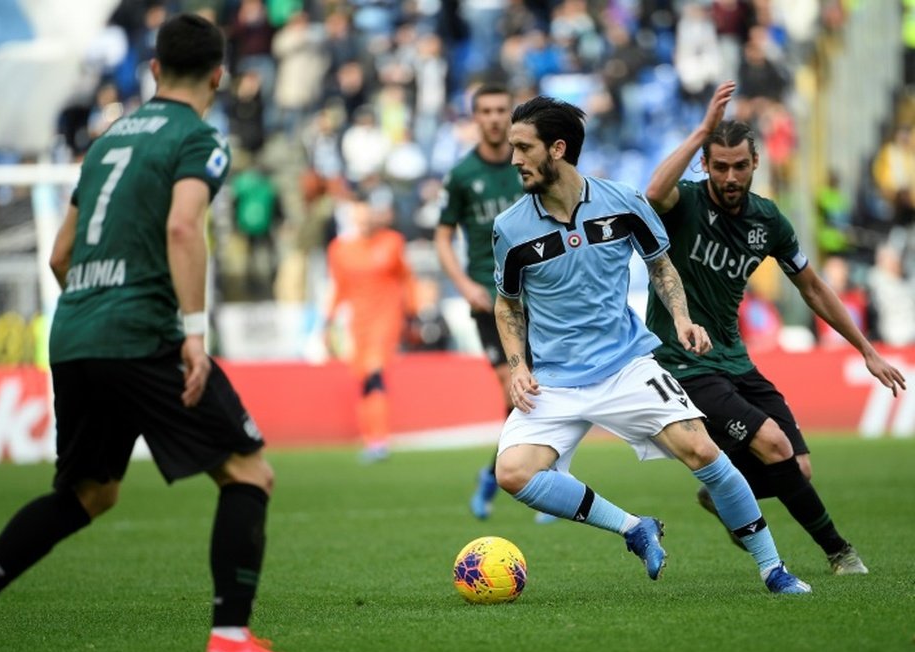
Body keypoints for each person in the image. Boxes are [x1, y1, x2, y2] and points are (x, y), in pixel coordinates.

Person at [0, 14, 306, 652]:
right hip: (144, 332)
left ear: (153, 70)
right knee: (248, 472)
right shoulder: (197, 138)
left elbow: (59, 254)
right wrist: (191, 334)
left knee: (89, 491)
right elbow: (185, 228)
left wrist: (100, 309)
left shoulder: (105, 142)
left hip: (74, 332)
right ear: (219, 75)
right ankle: (231, 636)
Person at [491, 94, 811, 594]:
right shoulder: (509, 228)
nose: (514, 160)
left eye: (523, 148)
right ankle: (633, 527)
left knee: (703, 452)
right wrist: (517, 365)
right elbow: (507, 304)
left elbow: (661, 266)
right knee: (512, 473)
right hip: (554, 380)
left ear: (557, 149)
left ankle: (773, 568)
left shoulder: (623, 202)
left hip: (625, 366)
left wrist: (682, 318)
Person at [644, 81, 907, 575]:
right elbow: (653, 193)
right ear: (705, 164)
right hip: (683, 360)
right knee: (774, 446)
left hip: (736, 357)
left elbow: (813, 287)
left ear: (755, 163)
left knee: (797, 469)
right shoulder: (687, 205)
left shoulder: (768, 221)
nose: (729, 176)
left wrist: (867, 351)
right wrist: (703, 127)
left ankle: (724, 494)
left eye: (739, 165)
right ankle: (839, 552)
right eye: (719, 165)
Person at [435, 84, 556, 522]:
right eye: (484, 111)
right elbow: (442, 236)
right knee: (519, 389)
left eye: (501, 110)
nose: (493, 118)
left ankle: (511, 478)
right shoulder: (463, 175)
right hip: (489, 302)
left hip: (536, 297)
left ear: (511, 115)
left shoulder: (527, 165)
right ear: (475, 116)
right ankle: (530, 478)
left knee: (534, 394)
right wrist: (464, 283)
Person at [324, 198, 416, 462]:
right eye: (360, 218)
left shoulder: (392, 242)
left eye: (369, 217)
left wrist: (413, 309)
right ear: (353, 219)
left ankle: (380, 439)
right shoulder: (339, 249)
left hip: (386, 319)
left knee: (375, 372)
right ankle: (370, 437)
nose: (365, 223)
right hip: (358, 324)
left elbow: (406, 277)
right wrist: (328, 320)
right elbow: (339, 287)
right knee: (365, 379)